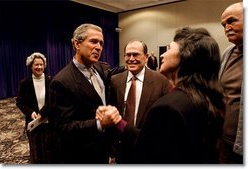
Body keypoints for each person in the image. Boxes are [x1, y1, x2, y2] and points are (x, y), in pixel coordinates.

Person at [134, 27, 225, 163]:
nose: (162, 56)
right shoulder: (207, 99)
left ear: (186, 55)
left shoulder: (167, 107)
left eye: (169, 48)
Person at [49, 23, 122, 164]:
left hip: (104, 148)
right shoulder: (61, 82)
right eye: (93, 41)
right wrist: (99, 124)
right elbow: (63, 128)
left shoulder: (100, 69)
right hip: (81, 155)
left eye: (101, 43)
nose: (99, 47)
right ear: (77, 44)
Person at [97, 40, 170, 163]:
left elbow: (165, 120)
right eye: (127, 55)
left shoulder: (161, 81)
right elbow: (113, 115)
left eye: (135, 55)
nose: (131, 59)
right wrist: (112, 150)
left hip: (148, 148)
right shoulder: (115, 80)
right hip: (122, 150)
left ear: (146, 57)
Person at [16, 52, 56, 163]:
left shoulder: (51, 81)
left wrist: (43, 112)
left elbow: (54, 100)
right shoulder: (25, 83)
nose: (39, 67)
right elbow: (19, 102)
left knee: (50, 148)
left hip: (49, 121)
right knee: (36, 150)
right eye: (36, 65)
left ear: (44, 65)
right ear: (30, 66)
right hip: (33, 122)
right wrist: (30, 112)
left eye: (41, 64)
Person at [218, 2, 243, 164]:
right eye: (224, 24)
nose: (227, 27)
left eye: (232, 21)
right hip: (224, 141)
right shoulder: (228, 53)